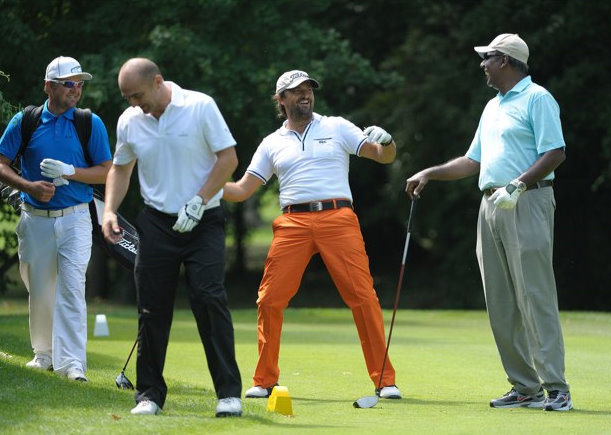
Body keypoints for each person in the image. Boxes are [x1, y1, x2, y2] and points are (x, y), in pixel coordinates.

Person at [405, 34, 572, 411]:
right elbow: (473, 161)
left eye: (488, 57)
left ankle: (557, 388)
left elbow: (555, 152)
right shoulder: (493, 106)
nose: (482, 64)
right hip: (491, 204)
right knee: (499, 300)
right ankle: (525, 386)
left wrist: (518, 184)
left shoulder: (538, 98)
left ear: (506, 61)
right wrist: (430, 172)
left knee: (534, 295)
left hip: (528, 200)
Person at [223, 70, 402, 400]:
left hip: (338, 218)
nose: (305, 94)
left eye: (308, 89)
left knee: (363, 297)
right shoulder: (272, 143)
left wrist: (388, 142)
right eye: (296, 90)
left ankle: (385, 380)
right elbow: (242, 190)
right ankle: (264, 380)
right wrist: (208, 186)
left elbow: (383, 156)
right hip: (293, 223)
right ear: (281, 99)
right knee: (269, 299)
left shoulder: (337, 126)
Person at [101, 58, 242, 417]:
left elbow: (228, 159)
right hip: (157, 224)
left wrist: (199, 200)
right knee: (151, 307)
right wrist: (109, 210)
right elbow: (120, 168)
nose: (135, 104)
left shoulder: (200, 106)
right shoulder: (129, 121)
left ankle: (228, 394)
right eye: (128, 98)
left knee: (208, 298)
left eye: (138, 95)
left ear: (158, 81)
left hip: (204, 220)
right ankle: (149, 394)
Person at [0, 56, 112, 382]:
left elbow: (107, 172)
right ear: (48, 86)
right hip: (34, 218)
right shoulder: (26, 121)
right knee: (39, 289)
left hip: (76, 217)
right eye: (69, 84)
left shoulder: (89, 122)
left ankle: (73, 363)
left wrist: (71, 172)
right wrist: (28, 186)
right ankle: (44, 354)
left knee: (72, 288)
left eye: (80, 84)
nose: (76, 90)